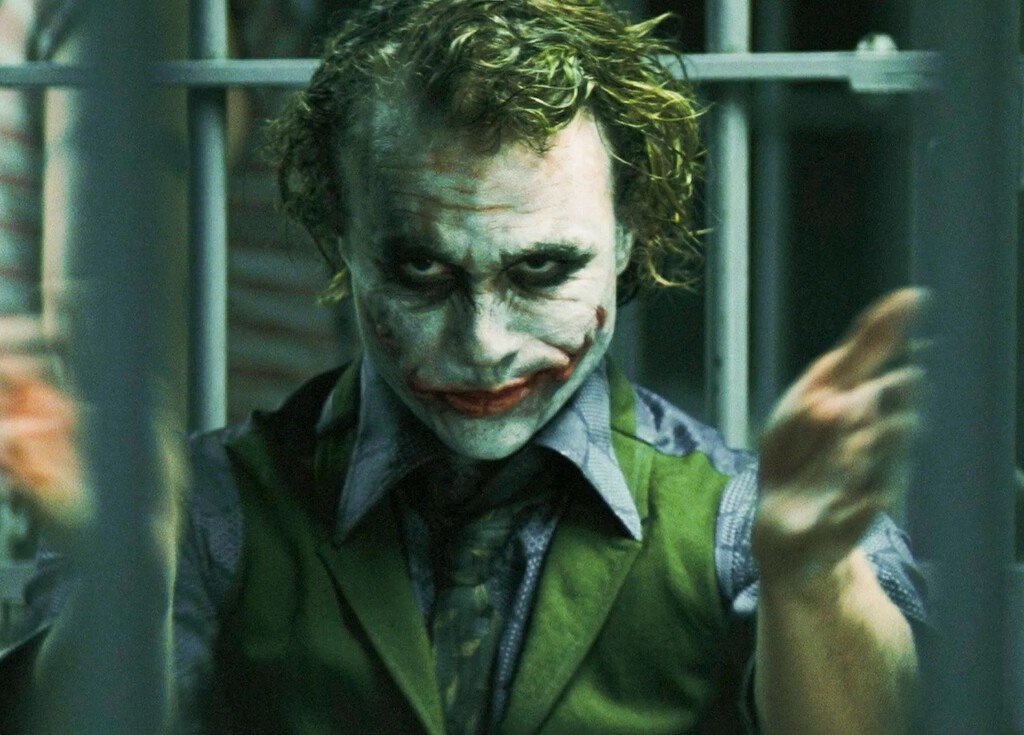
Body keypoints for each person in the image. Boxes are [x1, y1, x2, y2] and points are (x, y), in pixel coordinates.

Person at [0, 1, 927, 733]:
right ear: (338, 238)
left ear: (630, 234)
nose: (482, 345)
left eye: (541, 270)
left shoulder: (739, 518)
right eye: (419, 270)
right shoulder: (208, 509)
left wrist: (817, 577)